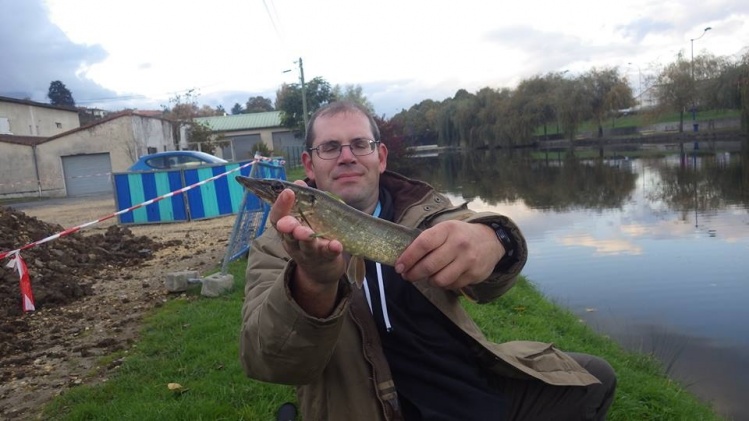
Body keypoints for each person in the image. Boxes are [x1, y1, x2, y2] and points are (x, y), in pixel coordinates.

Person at [240, 101, 616, 420]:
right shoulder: (278, 246)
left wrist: (496, 239)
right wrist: (313, 282)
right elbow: (268, 361)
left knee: (595, 377)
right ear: (308, 164)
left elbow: (475, 244)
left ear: (381, 156)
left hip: (465, 393)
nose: (347, 156)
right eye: (330, 147)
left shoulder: (422, 209)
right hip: (364, 407)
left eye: (359, 144)